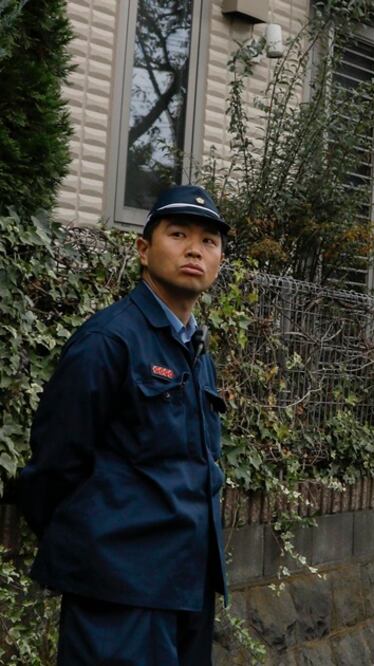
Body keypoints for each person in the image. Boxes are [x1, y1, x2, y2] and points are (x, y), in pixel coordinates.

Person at [18, 185, 230, 665]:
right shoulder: (108, 341)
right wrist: (98, 548)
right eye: (178, 234)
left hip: (187, 587)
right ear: (143, 248)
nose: (195, 248)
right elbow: (54, 465)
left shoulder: (195, 350)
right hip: (119, 592)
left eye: (209, 241)